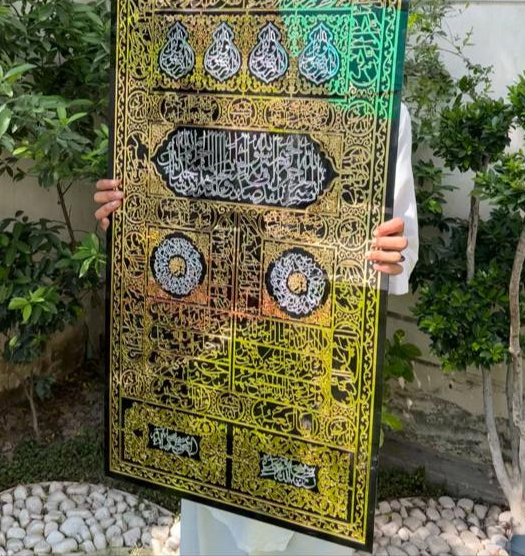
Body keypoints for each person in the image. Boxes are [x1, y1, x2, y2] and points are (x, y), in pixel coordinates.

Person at [94, 103, 418, 556]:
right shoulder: (206, 95)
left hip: (312, 366)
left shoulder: (378, 109)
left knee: (312, 523)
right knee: (216, 515)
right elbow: (173, 217)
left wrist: (391, 252)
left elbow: (399, 247)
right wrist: (128, 210)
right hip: (216, 362)